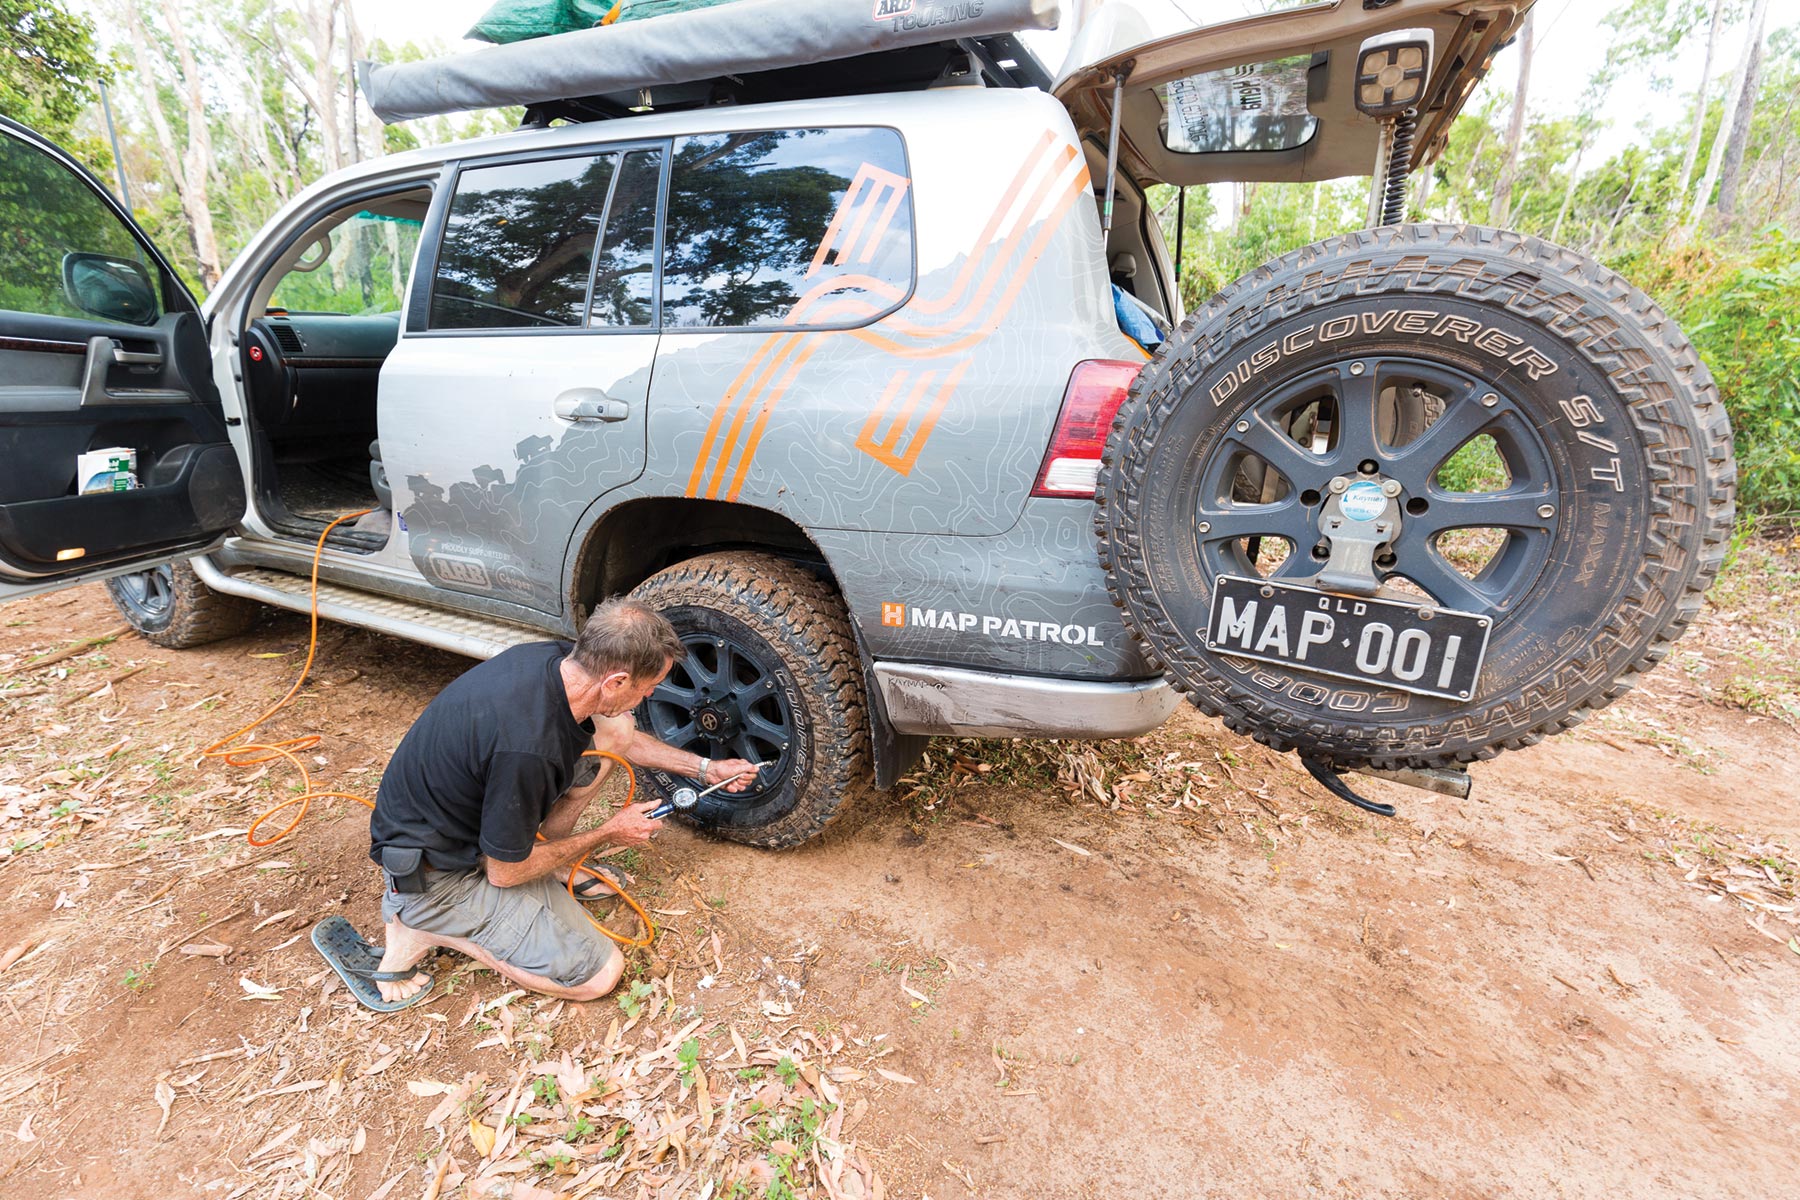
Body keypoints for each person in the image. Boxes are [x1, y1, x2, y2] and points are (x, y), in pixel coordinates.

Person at [360, 598, 758, 1006]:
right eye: (647, 685)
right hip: (438, 877)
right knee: (598, 977)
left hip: (465, 821)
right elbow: (504, 873)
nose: (653, 692)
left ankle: (551, 863)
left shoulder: (553, 660)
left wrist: (705, 769)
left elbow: (620, 738)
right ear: (617, 681)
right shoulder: (529, 751)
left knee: (615, 729)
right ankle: (424, 926)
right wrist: (608, 832)